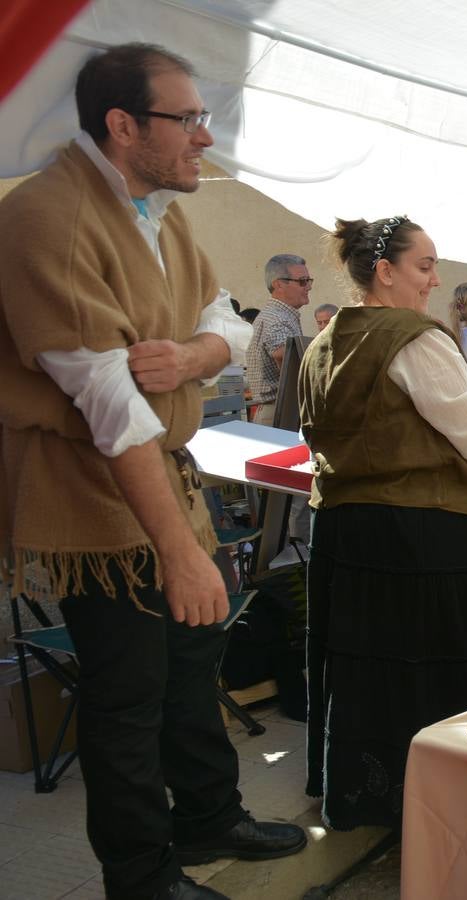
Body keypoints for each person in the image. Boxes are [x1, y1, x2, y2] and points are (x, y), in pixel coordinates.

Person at [0, 43, 305, 900]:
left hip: (163, 473)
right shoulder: (50, 221)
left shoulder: (153, 210)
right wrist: (178, 551)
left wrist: (193, 353)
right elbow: (112, 408)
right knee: (127, 691)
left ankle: (210, 815)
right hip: (92, 490)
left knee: (190, 661)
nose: (205, 139)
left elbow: (229, 323)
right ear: (123, 125)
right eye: (188, 119)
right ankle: (140, 878)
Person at [299, 216, 467, 830]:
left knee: (369, 673)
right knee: (432, 671)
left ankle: (368, 791)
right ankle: (446, 798)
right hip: (420, 534)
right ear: (385, 272)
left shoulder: (325, 340)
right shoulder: (414, 339)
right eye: (424, 267)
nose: (434, 280)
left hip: (345, 533)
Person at [245, 253, 312, 425]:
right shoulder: (277, 317)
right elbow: (283, 355)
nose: (308, 287)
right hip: (280, 411)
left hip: (277, 410)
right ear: (279, 284)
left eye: (309, 281)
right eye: (303, 281)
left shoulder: (279, 315)